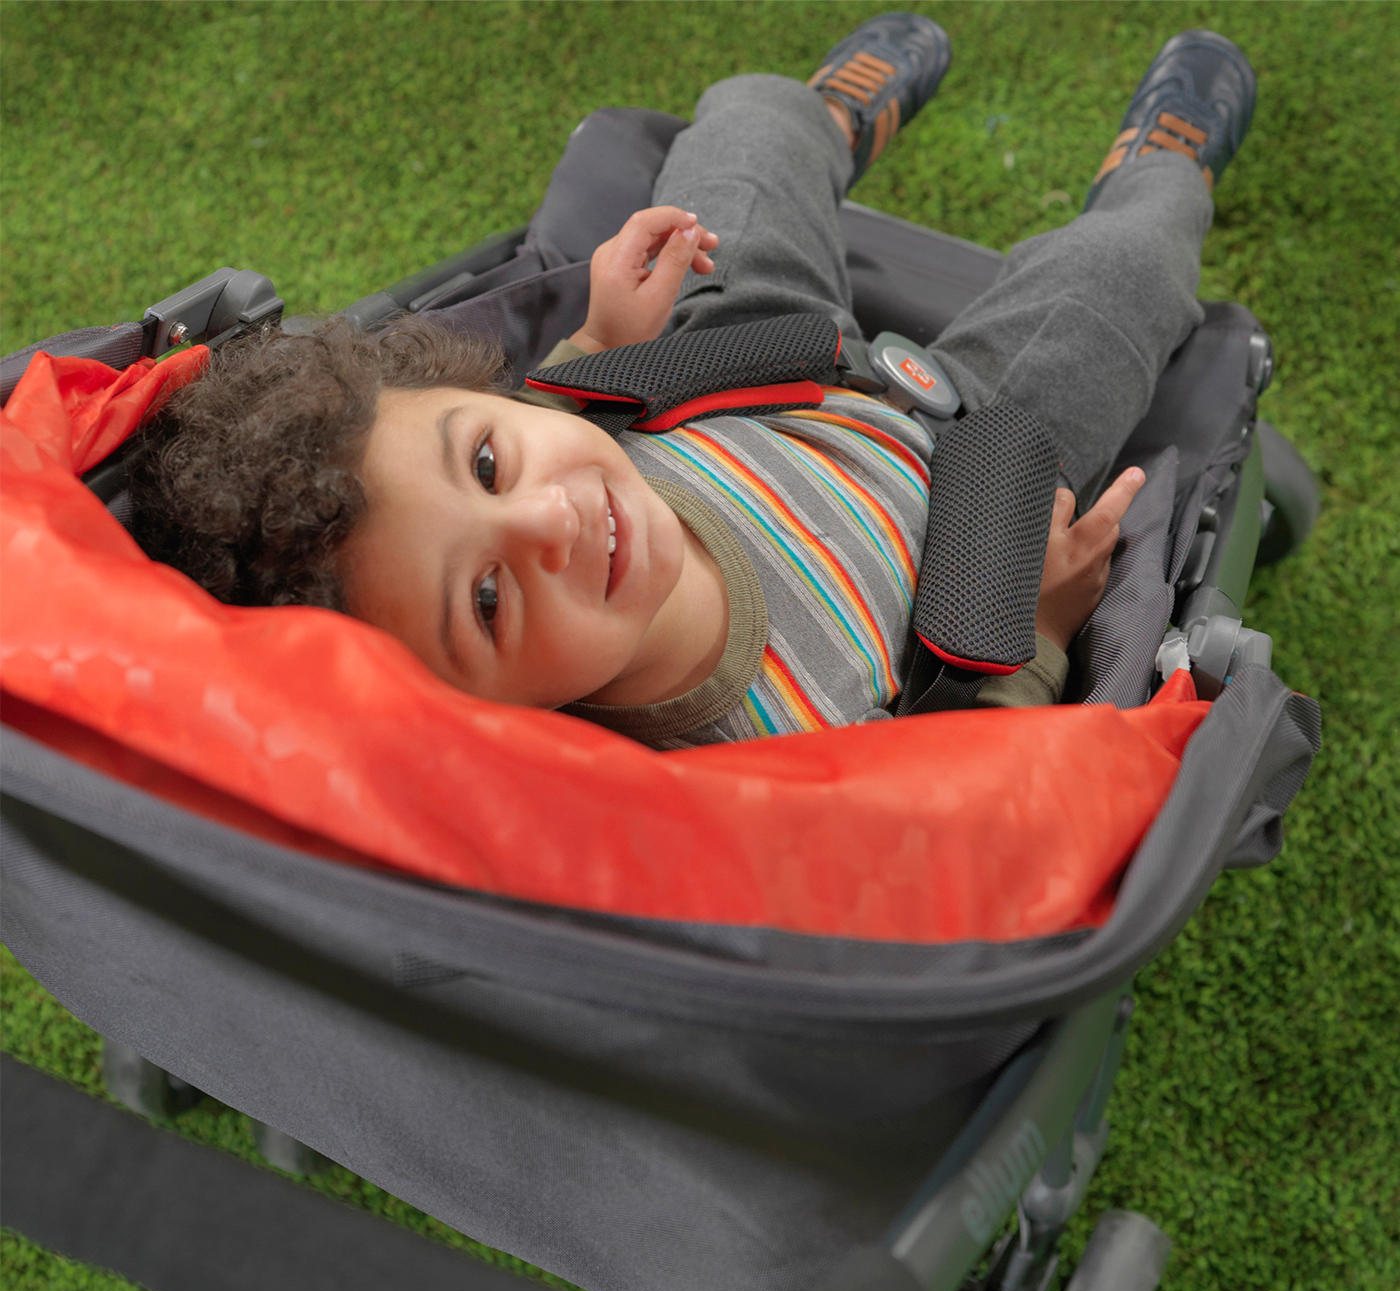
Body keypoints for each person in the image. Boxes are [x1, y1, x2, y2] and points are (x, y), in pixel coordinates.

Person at [128, 17, 1255, 748]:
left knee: (750, 124)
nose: (550, 520)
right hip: (980, 493)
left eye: (488, 460)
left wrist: (601, 334)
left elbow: (547, 413)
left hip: (750, 359)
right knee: (1129, 269)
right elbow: (969, 783)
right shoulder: (726, 771)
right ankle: (1156, 171)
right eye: (487, 601)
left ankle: (824, 120)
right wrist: (1041, 630)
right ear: (478, 720)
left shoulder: (554, 453)